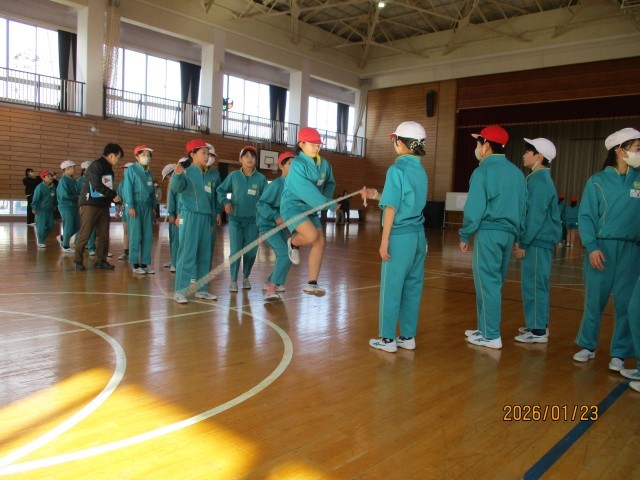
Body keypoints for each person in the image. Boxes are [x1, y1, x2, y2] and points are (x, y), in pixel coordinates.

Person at [573, 128, 640, 372]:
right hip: (602, 249)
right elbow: (586, 216)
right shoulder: (597, 181)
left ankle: (620, 353)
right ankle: (587, 345)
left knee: (626, 304)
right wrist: (591, 246)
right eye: (637, 148)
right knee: (594, 301)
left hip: (632, 251)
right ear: (620, 151)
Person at [361, 121, 428, 353]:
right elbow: (403, 198)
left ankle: (387, 339)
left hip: (400, 238)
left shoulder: (396, 169)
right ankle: (407, 337)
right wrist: (375, 194)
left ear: (400, 142)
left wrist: (384, 240)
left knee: (391, 288)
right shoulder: (420, 170)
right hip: (419, 237)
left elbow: (392, 207)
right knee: (412, 288)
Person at [460, 125, 526, 350]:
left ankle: (491, 335)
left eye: (478, 143)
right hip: (509, 234)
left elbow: (474, 207)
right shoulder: (517, 173)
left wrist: (465, 234)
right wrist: (518, 236)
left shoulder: (483, 171)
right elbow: (522, 207)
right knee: (493, 283)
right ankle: (484, 328)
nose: (477, 147)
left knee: (486, 283)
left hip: (489, 232)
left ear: (486, 145)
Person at [514, 138, 562, 343]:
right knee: (535, 283)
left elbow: (535, 215)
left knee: (534, 284)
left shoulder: (539, 181)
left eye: (528, 152)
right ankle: (537, 323)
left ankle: (538, 331)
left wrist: (523, 242)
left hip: (537, 240)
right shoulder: (537, 178)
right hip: (538, 239)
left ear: (539, 157)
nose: (524, 155)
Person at [280, 127, 337, 296]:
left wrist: (328, 198)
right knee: (312, 235)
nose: (316, 148)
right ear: (301, 144)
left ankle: (312, 284)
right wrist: (327, 204)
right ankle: (293, 242)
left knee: (320, 242)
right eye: (312, 145)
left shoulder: (324, 164)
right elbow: (305, 190)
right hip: (293, 206)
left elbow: (329, 184)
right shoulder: (297, 164)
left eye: (318, 145)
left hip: (311, 208)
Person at [171, 139, 218, 304]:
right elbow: (176, 188)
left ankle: (202, 290)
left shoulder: (207, 174)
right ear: (192, 154)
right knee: (187, 253)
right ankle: (180, 290)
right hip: (190, 216)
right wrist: (177, 174)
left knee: (204, 255)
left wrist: (211, 220)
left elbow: (211, 199)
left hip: (205, 217)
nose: (207, 156)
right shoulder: (186, 171)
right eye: (203, 153)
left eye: (208, 153)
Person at [216, 145, 267, 292]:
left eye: (253, 156)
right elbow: (220, 190)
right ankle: (233, 280)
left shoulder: (261, 179)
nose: (250, 159)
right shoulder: (233, 176)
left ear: (256, 160)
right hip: (235, 220)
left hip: (253, 221)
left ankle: (245, 277)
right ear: (240, 159)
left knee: (251, 252)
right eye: (246, 156)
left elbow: (266, 199)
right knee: (235, 251)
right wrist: (226, 203)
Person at [73, 143, 123, 270]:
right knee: (85, 233)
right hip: (90, 204)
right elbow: (97, 185)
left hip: (103, 205)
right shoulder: (96, 165)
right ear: (111, 155)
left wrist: (116, 202)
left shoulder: (108, 168)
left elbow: (108, 187)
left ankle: (101, 260)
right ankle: (78, 260)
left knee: (104, 235)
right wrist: (113, 195)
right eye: (118, 157)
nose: (118, 160)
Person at [256, 151, 294, 301]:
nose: (293, 167)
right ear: (281, 166)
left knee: (290, 254)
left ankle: (271, 282)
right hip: (268, 226)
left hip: (280, 228)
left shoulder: (294, 185)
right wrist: (275, 216)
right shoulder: (277, 184)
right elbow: (261, 204)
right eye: (290, 164)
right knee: (284, 253)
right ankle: (271, 289)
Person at [123, 145, 156, 275]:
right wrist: (130, 206)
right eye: (144, 155)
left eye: (148, 155)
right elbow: (128, 189)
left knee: (147, 236)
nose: (147, 157)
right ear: (137, 157)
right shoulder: (131, 170)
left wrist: (153, 207)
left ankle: (145, 264)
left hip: (147, 207)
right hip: (135, 207)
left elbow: (152, 191)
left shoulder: (149, 172)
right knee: (135, 235)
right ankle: (135, 264)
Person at [56, 160, 80, 253]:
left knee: (78, 225)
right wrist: (77, 197)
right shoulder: (63, 180)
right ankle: (65, 246)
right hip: (66, 206)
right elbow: (64, 195)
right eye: (72, 167)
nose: (74, 169)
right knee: (68, 226)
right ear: (66, 169)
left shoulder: (72, 180)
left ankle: (63, 238)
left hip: (74, 205)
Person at [204, 143, 222, 256]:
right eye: (207, 154)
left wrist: (218, 213)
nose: (210, 157)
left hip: (211, 214)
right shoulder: (191, 171)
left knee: (210, 242)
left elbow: (218, 194)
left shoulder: (215, 174)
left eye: (212, 156)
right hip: (194, 214)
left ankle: (207, 266)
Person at [32, 171, 57, 248]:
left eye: (51, 176)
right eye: (48, 176)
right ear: (43, 178)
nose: (50, 177)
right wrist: (34, 208)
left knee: (51, 226)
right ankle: (41, 241)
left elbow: (54, 197)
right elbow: (35, 198)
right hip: (41, 210)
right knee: (41, 227)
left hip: (50, 209)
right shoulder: (40, 187)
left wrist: (54, 205)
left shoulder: (53, 186)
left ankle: (41, 238)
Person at [77, 161, 97, 255]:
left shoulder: (95, 178)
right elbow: (78, 193)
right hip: (85, 205)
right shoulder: (80, 180)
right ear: (84, 170)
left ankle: (91, 247)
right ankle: (81, 246)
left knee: (93, 227)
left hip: (94, 205)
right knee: (84, 226)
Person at [162, 162, 179, 273]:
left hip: (178, 215)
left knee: (177, 240)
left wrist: (172, 213)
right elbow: (171, 199)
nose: (168, 179)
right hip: (174, 214)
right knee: (173, 239)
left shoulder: (176, 182)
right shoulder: (172, 183)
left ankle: (175, 263)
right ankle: (174, 260)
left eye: (167, 177)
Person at [116, 163, 133, 261]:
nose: (125, 171)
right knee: (126, 231)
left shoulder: (135, 182)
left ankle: (135, 252)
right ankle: (126, 251)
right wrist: (118, 208)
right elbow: (118, 196)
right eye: (124, 169)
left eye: (127, 169)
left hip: (134, 209)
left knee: (134, 231)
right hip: (125, 209)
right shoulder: (122, 183)